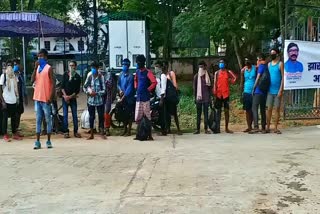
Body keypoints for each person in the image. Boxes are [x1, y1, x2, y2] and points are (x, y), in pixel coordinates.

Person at [32, 49, 55, 149]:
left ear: (45, 57)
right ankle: (37, 141)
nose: (39, 58)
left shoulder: (49, 68)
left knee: (48, 119)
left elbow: (53, 83)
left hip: (46, 98)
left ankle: (48, 141)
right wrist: (35, 68)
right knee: (38, 120)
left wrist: (50, 96)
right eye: (38, 56)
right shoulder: (37, 68)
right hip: (37, 97)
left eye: (41, 56)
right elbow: (32, 80)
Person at [134, 55, 157, 140]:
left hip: (146, 97)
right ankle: (138, 134)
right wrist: (136, 86)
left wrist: (148, 89)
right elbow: (135, 80)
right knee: (138, 117)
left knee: (147, 116)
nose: (137, 64)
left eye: (138, 62)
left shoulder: (148, 72)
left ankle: (150, 135)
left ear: (142, 63)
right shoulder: (137, 72)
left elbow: (154, 82)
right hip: (139, 97)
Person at [83, 61, 106, 140]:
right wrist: (88, 93)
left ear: (97, 68)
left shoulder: (101, 77)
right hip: (91, 100)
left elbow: (104, 90)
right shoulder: (89, 76)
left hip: (99, 100)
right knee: (91, 117)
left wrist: (96, 93)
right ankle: (92, 134)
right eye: (92, 68)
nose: (93, 69)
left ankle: (102, 131)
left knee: (101, 116)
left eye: (94, 68)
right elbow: (85, 86)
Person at [0, 60, 22, 142]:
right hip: (6, 100)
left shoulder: (14, 77)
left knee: (14, 118)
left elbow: (17, 89)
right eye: (8, 65)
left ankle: (14, 133)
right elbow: (0, 88)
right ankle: (5, 134)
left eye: (11, 65)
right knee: (5, 119)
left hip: (13, 100)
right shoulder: (3, 76)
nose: (10, 67)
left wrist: (17, 98)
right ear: (6, 66)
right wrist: (2, 101)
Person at [213, 59, 237, 134]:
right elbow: (214, 83)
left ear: (225, 64)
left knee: (226, 112)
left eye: (222, 63)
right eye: (220, 63)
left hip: (226, 94)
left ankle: (226, 128)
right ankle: (217, 128)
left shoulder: (228, 72)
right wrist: (214, 92)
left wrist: (230, 81)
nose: (221, 64)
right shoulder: (216, 73)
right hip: (218, 94)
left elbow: (235, 78)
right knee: (218, 112)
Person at [61, 60, 82, 139]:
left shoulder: (77, 77)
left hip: (72, 98)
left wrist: (70, 97)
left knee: (74, 115)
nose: (71, 67)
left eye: (73, 65)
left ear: (75, 67)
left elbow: (77, 91)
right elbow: (62, 87)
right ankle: (66, 131)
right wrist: (65, 96)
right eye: (70, 65)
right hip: (65, 98)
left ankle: (75, 131)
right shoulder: (65, 75)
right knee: (65, 115)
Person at [266, 48, 284, 134]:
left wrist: (281, 89)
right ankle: (268, 127)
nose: (272, 55)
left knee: (277, 109)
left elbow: (283, 77)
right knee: (269, 108)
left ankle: (275, 127)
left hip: (277, 90)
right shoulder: (269, 64)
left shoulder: (280, 64)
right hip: (270, 90)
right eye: (271, 53)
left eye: (273, 53)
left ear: (277, 54)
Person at [250, 53, 268, 134]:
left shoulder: (261, 66)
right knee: (263, 109)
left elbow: (258, 77)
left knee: (254, 107)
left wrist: (253, 88)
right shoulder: (267, 66)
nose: (257, 61)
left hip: (258, 91)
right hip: (264, 91)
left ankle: (256, 126)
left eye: (258, 59)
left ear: (260, 59)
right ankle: (263, 127)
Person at [118, 58, 135, 136]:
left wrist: (123, 97)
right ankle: (125, 129)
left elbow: (129, 88)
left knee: (130, 114)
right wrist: (120, 90)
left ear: (128, 66)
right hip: (122, 97)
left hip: (129, 98)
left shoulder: (131, 76)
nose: (124, 66)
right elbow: (118, 84)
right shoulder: (121, 74)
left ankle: (129, 130)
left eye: (126, 65)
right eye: (123, 65)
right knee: (123, 114)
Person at [193, 61, 212, 134]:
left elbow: (210, 87)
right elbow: (194, 88)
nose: (201, 68)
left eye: (202, 66)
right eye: (199, 66)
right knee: (198, 114)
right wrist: (195, 98)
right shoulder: (196, 76)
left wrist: (210, 98)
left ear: (205, 67)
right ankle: (197, 129)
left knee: (206, 114)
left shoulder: (208, 76)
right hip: (198, 98)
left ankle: (206, 129)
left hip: (206, 98)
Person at [165, 62, 182, 135]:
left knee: (174, 113)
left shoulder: (170, 74)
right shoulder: (162, 75)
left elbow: (175, 85)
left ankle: (178, 129)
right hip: (166, 97)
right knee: (167, 114)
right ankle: (168, 129)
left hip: (171, 97)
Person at [240, 58, 256, 132]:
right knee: (247, 110)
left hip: (253, 91)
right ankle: (249, 126)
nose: (247, 63)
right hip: (246, 91)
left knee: (252, 109)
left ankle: (252, 125)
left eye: (248, 62)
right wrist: (241, 92)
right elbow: (242, 81)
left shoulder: (255, 68)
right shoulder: (244, 70)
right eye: (246, 62)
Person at [99, 62, 113, 136]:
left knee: (106, 112)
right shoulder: (96, 75)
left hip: (107, 96)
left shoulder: (108, 75)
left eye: (102, 67)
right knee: (100, 112)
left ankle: (107, 128)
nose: (101, 69)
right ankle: (101, 128)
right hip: (99, 96)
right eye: (99, 68)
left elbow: (110, 85)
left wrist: (104, 81)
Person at [13, 59, 27, 133]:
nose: (16, 66)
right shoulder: (13, 75)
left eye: (17, 64)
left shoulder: (20, 74)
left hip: (20, 96)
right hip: (16, 96)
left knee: (20, 111)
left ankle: (17, 126)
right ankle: (15, 127)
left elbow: (23, 87)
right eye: (14, 65)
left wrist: (25, 96)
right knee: (16, 112)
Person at [154, 60, 168, 136]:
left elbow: (163, 88)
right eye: (155, 66)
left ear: (160, 67)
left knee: (162, 115)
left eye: (157, 67)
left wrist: (162, 99)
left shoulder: (163, 76)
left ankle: (164, 130)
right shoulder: (157, 76)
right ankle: (162, 129)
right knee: (159, 114)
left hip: (162, 98)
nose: (156, 68)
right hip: (158, 97)